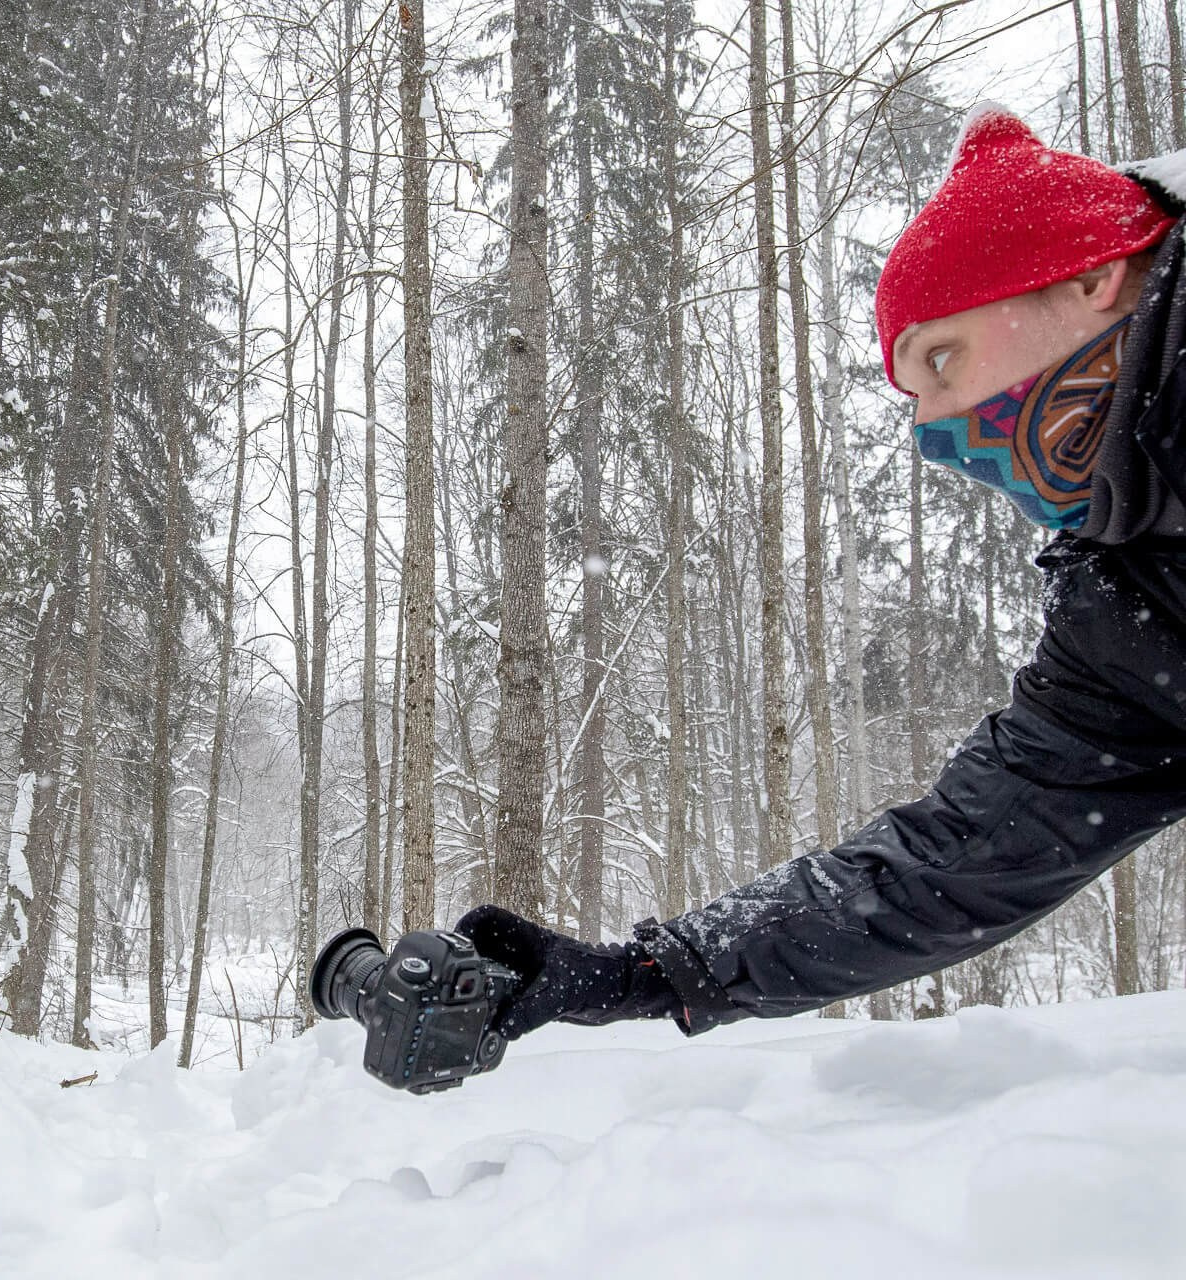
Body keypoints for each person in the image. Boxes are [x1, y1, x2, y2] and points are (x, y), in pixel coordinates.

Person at [458, 105, 1186, 1039]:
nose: (933, 433)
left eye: (943, 359)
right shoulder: (1130, 616)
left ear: (1091, 275)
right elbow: (949, 860)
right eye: (913, 396)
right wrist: (637, 973)